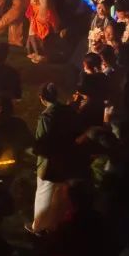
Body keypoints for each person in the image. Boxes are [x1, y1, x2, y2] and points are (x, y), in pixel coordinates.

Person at [31, 83, 83, 234]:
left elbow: (40, 142)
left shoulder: (46, 116)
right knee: (60, 194)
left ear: (41, 98)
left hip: (49, 163)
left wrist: (34, 150)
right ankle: (56, 225)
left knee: (44, 193)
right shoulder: (68, 111)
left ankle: (39, 226)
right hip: (67, 159)